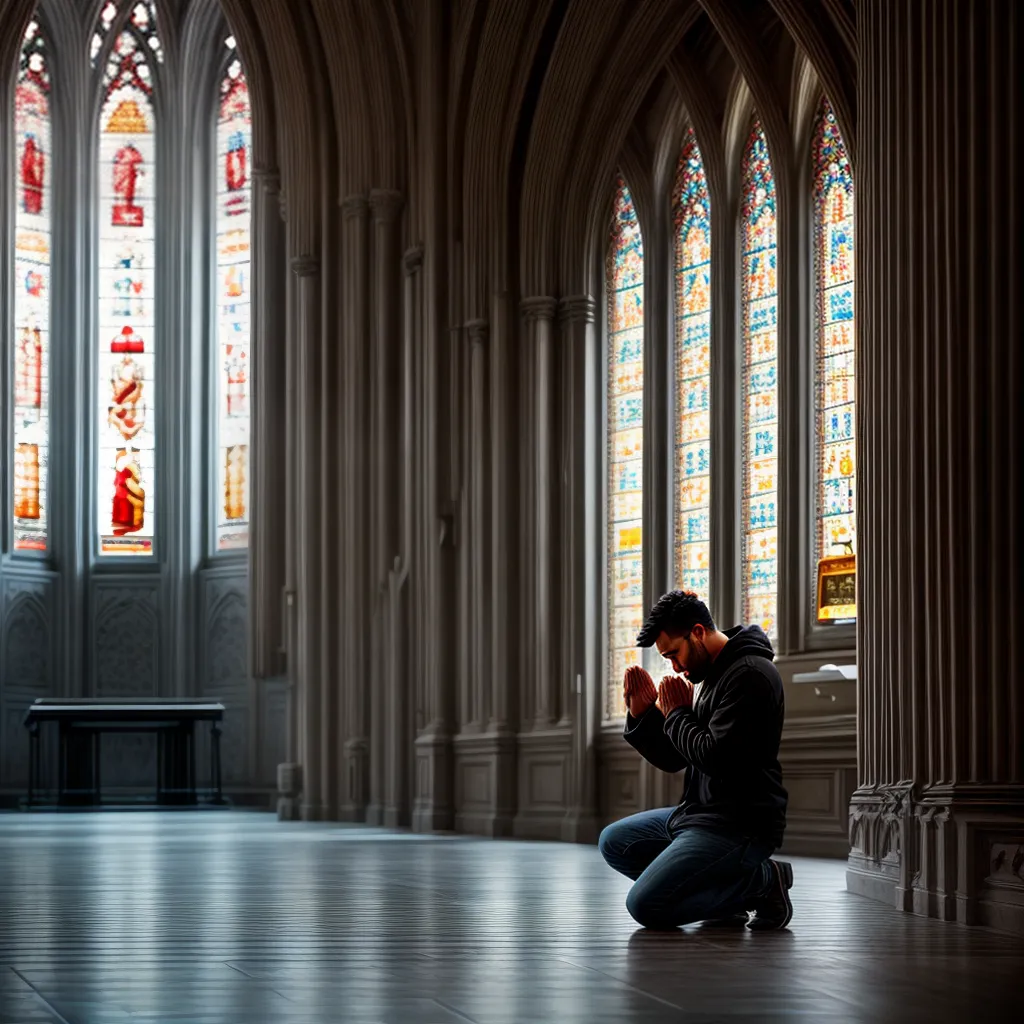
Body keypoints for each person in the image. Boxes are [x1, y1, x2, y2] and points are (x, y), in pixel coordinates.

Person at [598, 590, 793, 930]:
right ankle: (721, 898)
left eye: (675, 654)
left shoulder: (750, 675)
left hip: (738, 825)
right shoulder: (716, 673)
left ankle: (763, 880)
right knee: (615, 842)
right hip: (699, 814)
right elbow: (678, 759)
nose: (674, 667)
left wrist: (675, 713)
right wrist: (642, 715)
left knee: (646, 905)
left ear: (698, 632)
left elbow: (716, 759)